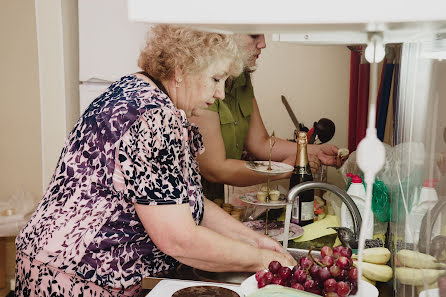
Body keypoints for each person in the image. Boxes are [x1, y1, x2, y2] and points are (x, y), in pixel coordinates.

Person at [15, 26, 296, 297]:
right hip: (77, 278)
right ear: (182, 69)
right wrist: (259, 259)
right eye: (216, 79)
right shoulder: (156, 119)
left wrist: (253, 240)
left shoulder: (136, 90)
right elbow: (179, 238)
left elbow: (183, 199)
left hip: (51, 262)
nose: (221, 93)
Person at [190, 34, 345, 200]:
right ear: (225, 34)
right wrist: (282, 168)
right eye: (254, 36)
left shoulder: (242, 78)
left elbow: (261, 143)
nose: (263, 44)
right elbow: (215, 168)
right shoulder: (202, 78)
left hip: (218, 199)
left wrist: (315, 150)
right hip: (193, 199)